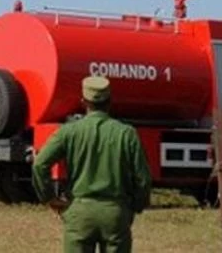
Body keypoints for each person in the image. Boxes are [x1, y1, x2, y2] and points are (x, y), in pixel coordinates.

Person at [31, 77, 152, 253]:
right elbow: (143, 178)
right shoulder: (127, 134)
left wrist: (50, 198)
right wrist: (135, 206)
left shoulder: (69, 131)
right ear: (110, 101)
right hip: (115, 212)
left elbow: (40, 164)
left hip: (80, 212)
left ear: (83, 102)